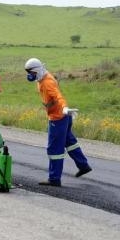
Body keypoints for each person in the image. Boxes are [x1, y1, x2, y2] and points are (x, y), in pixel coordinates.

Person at [24, 58, 92, 186]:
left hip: (58, 118)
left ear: (37, 71)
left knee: (54, 149)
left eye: (30, 73)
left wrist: (65, 107)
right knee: (69, 142)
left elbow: (58, 96)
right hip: (63, 117)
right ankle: (83, 165)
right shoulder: (43, 77)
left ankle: (54, 179)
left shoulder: (47, 82)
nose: (29, 75)